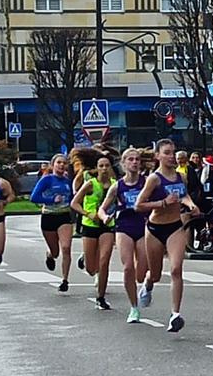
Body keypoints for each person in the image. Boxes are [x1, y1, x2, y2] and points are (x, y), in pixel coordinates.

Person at [140, 140, 198, 334]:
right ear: (158, 156)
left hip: (175, 227)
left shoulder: (181, 177)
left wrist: (191, 205)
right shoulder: (154, 179)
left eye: (173, 152)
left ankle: (175, 315)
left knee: (176, 269)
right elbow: (139, 205)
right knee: (155, 274)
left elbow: (184, 195)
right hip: (155, 228)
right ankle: (148, 285)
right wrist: (163, 203)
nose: (171, 156)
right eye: (167, 153)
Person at [99, 147, 152, 321]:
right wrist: (105, 217)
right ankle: (134, 307)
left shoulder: (147, 183)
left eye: (137, 159)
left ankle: (146, 286)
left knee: (141, 272)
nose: (134, 162)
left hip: (143, 226)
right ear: (123, 164)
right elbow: (102, 209)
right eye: (130, 159)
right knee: (128, 266)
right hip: (124, 226)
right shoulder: (117, 186)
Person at [75, 150, 116, 311]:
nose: (104, 168)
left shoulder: (115, 184)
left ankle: (101, 297)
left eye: (107, 165)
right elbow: (74, 203)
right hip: (90, 226)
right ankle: (86, 259)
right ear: (97, 168)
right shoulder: (91, 184)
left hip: (107, 225)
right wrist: (88, 213)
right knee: (92, 269)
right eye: (101, 166)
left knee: (104, 261)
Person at [30, 155, 77, 288]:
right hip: (49, 216)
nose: (61, 165)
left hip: (64, 216)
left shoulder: (68, 182)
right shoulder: (47, 180)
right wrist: (51, 200)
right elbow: (34, 197)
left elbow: (74, 198)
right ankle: (50, 254)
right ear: (53, 165)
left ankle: (65, 280)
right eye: (58, 163)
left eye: (64, 163)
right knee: (56, 252)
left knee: (66, 248)